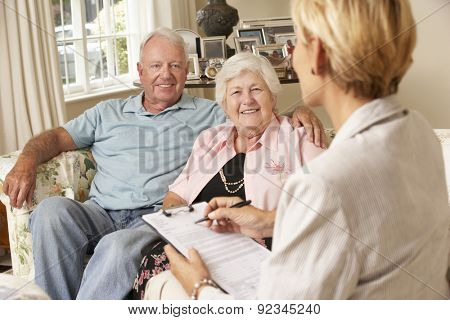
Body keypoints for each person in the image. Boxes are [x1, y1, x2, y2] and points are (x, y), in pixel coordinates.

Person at [149, 0, 450, 299]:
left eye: (297, 44)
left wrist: (200, 287)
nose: (291, 58)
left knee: (164, 285)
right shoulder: (417, 131)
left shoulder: (323, 183)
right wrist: (267, 220)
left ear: (317, 53)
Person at [2, 27, 325, 300]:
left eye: (174, 66)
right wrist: (26, 160)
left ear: (186, 72)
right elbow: (58, 138)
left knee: (117, 246)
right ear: (140, 72)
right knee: (51, 212)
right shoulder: (107, 112)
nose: (165, 75)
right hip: (100, 210)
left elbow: (252, 111)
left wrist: (302, 113)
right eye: (156, 66)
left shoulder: (210, 114)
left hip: (152, 218)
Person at [132, 52, 324, 299]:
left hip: (262, 249)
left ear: (273, 97)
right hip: (201, 242)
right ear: (224, 103)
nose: (247, 101)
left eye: (256, 89)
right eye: (236, 93)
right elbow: (176, 196)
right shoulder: (209, 139)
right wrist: (178, 228)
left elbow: (328, 208)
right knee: (154, 260)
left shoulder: (301, 138)